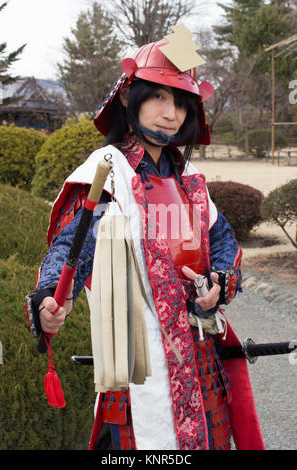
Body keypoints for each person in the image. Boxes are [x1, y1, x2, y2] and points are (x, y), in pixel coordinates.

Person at [25, 29, 265, 451]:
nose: (169, 113)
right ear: (127, 98)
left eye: (180, 102)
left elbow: (223, 241)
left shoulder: (190, 180)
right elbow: (74, 246)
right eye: (157, 97)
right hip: (140, 360)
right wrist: (51, 295)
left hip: (200, 355)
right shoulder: (108, 171)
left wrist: (216, 285)